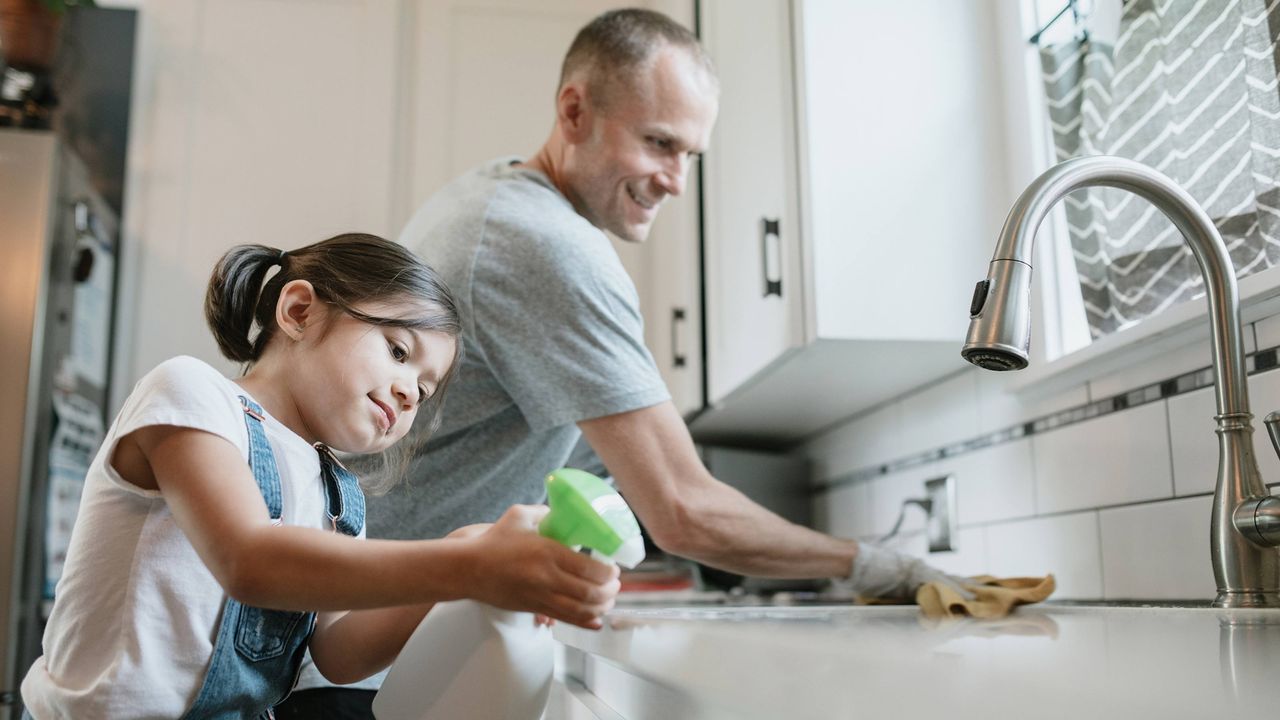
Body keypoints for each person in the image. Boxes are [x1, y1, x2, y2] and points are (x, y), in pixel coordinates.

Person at [286, 9, 968, 715]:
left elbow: (584, 470)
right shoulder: (547, 247)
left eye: (689, 155)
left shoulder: (495, 197)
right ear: (574, 111)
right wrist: (879, 565)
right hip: (353, 662)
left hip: (352, 634)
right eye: (658, 143)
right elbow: (681, 510)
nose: (676, 180)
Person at [18, 234, 620, 719]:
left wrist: (467, 554)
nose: (411, 392)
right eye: (398, 351)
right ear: (299, 310)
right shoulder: (191, 394)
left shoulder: (339, 495)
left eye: (426, 389)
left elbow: (337, 652)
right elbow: (250, 560)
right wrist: (470, 564)